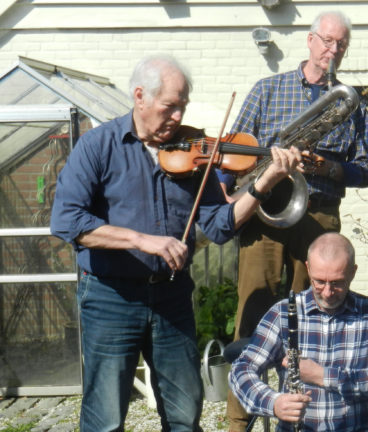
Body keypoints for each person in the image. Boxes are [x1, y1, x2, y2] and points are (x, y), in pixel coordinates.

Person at [49, 54, 301, 431]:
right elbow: (67, 221)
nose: (178, 117)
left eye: (182, 107)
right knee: (104, 417)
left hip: (171, 295)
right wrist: (141, 240)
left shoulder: (194, 153)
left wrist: (263, 185)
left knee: (185, 413)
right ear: (139, 96)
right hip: (109, 298)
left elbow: (219, 227)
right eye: (169, 107)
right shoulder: (98, 147)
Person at [226, 11, 368, 430]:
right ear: (310, 41)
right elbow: (235, 148)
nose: (333, 49)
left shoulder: (351, 101)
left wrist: (327, 167)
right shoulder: (267, 90)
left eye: (341, 44)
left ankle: (304, 417)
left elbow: (365, 171)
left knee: (311, 322)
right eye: (327, 41)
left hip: (319, 216)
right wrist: (230, 187)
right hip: (268, 211)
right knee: (253, 311)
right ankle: (239, 422)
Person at [229, 232, 368, 431]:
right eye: (319, 281)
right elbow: (240, 370)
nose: (327, 293)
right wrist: (273, 403)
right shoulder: (282, 312)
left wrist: (323, 376)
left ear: (353, 272)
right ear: (308, 268)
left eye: (337, 283)